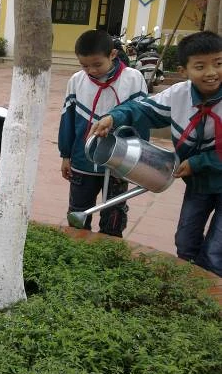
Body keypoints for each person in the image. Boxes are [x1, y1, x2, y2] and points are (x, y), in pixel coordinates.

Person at [90, 31, 222, 275]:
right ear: (184, 71)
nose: (211, 72)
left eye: (218, 63)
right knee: (185, 241)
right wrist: (113, 117)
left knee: (216, 252)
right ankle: (191, 287)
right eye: (200, 66)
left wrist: (199, 162)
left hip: (208, 170)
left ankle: (211, 297)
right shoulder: (179, 94)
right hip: (200, 183)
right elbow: (143, 109)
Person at [58, 29, 148, 238]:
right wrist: (65, 156)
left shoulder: (133, 79)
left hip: (119, 163)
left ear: (113, 55)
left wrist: (140, 160)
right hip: (82, 162)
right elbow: (67, 121)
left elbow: (143, 120)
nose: (91, 70)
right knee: (78, 212)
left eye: (97, 64)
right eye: (85, 65)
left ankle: (109, 257)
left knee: (115, 215)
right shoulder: (76, 81)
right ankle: (76, 255)